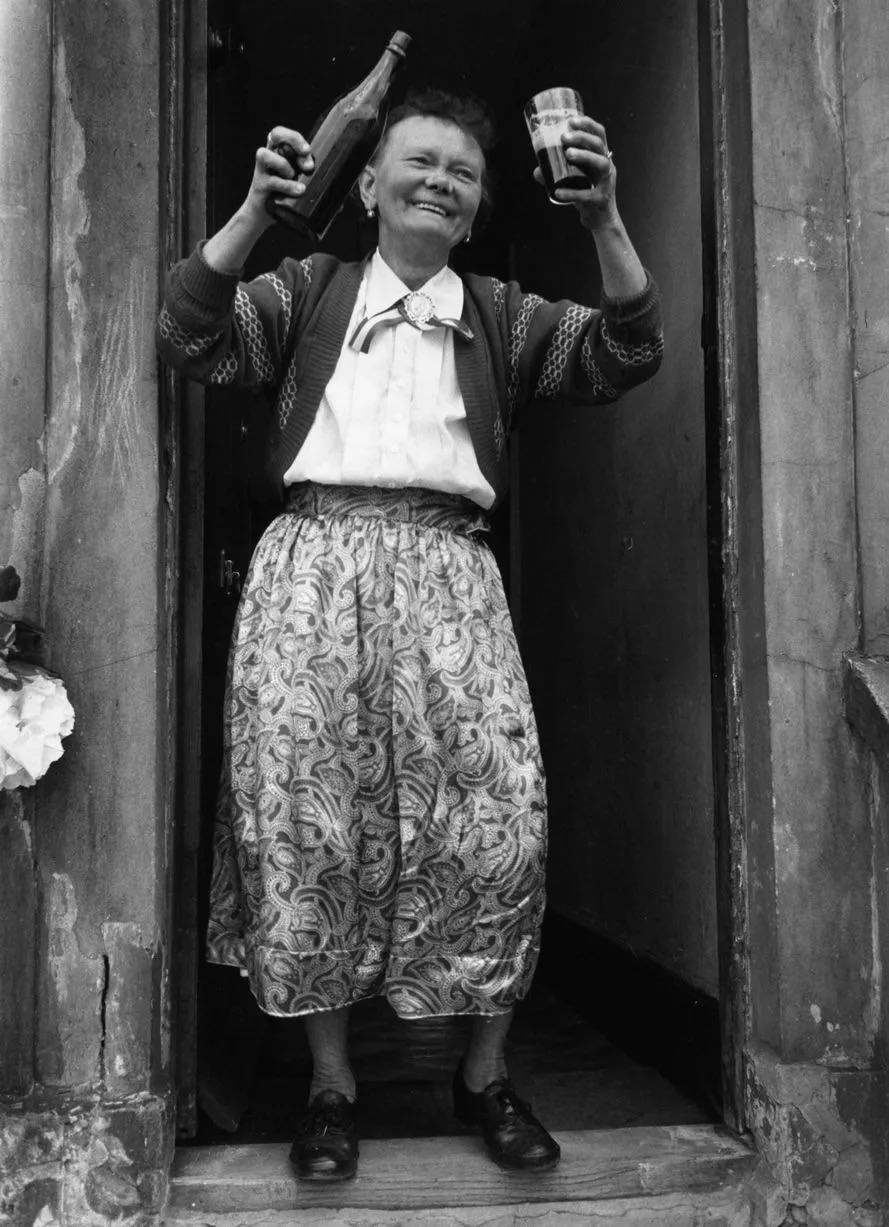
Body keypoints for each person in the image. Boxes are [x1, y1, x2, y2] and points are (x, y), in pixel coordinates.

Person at [157, 87, 662, 1181]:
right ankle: (330, 1088)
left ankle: (481, 1077)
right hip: (312, 575)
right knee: (310, 826)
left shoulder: (503, 317)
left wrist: (603, 216)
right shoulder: (306, 292)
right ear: (372, 185)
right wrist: (252, 210)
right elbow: (191, 333)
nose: (440, 181)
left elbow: (626, 352)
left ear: (477, 209)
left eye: (463, 174)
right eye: (417, 163)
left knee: (496, 826)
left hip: (451, 578)